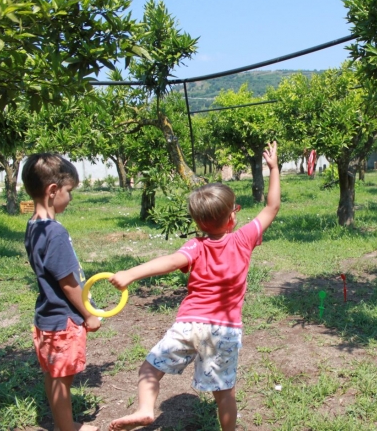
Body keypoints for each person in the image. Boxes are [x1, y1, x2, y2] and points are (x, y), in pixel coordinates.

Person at [108, 142, 281, 431]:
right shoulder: (243, 239)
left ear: (198, 222)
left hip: (188, 324)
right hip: (224, 330)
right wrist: (273, 168)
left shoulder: (195, 247)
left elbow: (169, 261)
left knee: (150, 367)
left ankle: (146, 408)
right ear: (232, 217)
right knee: (224, 392)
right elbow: (272, 206)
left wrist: (130, 273)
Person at [22, 153, 101, 431]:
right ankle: (68, 429)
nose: (70, 198)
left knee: (53, 375)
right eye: (69, 192)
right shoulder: (54, 233)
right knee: (62, 380)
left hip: (46, 317)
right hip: (62, 320)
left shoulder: (34, 227)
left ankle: (62, 424)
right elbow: (69, 284)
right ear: (53, 191)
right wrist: (89, 314)